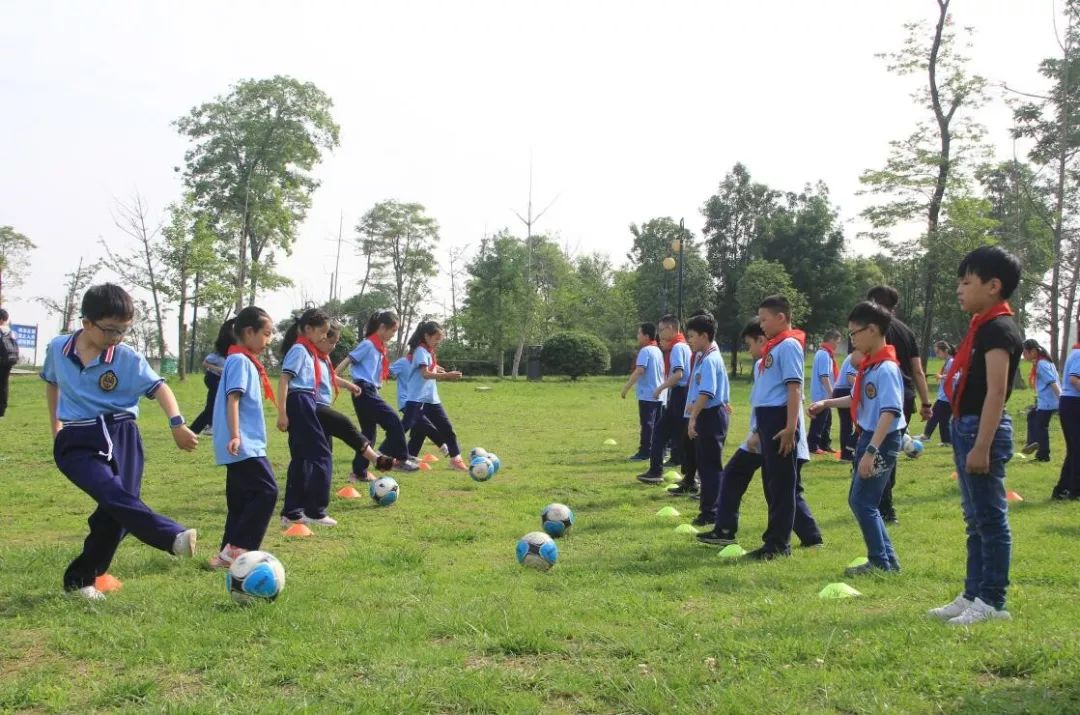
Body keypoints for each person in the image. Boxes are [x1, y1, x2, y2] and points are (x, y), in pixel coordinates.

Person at [41, 283, 197, 600]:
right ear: (86, 323)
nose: (118, 338)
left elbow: (159, 389)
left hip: (122, 434)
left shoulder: (126, 357)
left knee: (116, 512)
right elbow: (52, 383)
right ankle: (171, 537)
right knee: (113, 495)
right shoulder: (58, 348)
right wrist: (55, 425)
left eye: (124, 331)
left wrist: (177, 423)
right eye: (111, 330)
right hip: (77, 438)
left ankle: (79, 581)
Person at [928, 246, 1023, 626]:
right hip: (964, 424)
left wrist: (982, 445)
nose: (959, 289)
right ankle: (972, 593)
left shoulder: (999, 330)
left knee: (990, 519)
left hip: (982, 430)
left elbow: (996, 392)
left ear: (994, 285)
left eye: (967, 282)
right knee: (974, 519)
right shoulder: (981, 326)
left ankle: (992, 601)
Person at [697, 317, 821, 548]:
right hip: (761, 434)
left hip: (777, 434)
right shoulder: (761, 364)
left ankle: (803, 539)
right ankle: (725, 528)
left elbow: (792, 394)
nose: (748, 350)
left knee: (782, 489)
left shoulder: (785, 350)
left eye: (750, 344)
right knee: (740, 476)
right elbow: (763, 399)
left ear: (761, 339)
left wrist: (786, 430)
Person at [810, 301, 905, 576]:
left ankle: (880, 562)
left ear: (873, 330)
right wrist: (826, 403)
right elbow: (857, 399)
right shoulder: (871, 367)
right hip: (870, 438)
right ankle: (887, 560)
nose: (851, 341)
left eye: (854, 333)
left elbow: (890, 412)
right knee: (860, 500)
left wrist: (871, 451)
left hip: (880, 441)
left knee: (863, 502)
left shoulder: (885, 368)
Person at [744, 295, 822, 561]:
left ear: (780, 318)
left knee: (781, 485)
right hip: (768, 419)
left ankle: (778, 544)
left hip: (780, 420)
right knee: (771, 483)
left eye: (764, 319)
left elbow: (794, 388)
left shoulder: (788, 345)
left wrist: (791, 427)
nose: (761, 325)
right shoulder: (774, 347)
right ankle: (775, 539)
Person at [208, 306, 279, 569]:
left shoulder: (240, 359)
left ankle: (225, 555)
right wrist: (236, 435)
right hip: (243, 444)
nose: (269, 340)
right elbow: (233, 398)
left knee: (240, 500)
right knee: (266, 491)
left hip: (241, 443)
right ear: (249, 332)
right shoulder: (239, 361)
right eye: (267, 333)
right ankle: (239, 550)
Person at [866, 285, 933, 524]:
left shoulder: (871, 331)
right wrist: (926, 403)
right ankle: (881, 505)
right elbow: (917, 370)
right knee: (890, 452)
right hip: (905, 397)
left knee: (878, 450)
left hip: (880, 398)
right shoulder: (906, 331)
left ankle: (882, 507)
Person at [336, 310, 419, 482]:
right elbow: (349, 359)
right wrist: (335, 374)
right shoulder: (368, 344)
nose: (393, 335)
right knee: (394, 421)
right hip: (363, 390)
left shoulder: (379, 347)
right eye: (393, 331)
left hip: (369, 390)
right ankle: (401, 459)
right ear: (382, 327)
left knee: (368, 433)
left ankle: (359, 472)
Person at [277, 308, 336, 527]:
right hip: (300, 400)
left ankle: (291, 512)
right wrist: (282, 413)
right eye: (322, 332)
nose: (324, 336)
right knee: (322, 455)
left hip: (307, 400)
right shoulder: (300, 350)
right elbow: (284, 380)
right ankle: (315, 511)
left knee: (302, 458)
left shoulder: (308, 350)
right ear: (309, 329)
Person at [313, 322, 394, 482]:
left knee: (325, 452)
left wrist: (350, 386)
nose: (334, 346)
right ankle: (375, 459)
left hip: (323, 405)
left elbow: (330, 377)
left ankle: (317, 486)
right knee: (345, 425)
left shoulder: (323, 359)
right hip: (313, 405)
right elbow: (286, 379)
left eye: (336, 342)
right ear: (320, 338)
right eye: (331, 342)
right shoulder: (307, 355)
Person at [682, 312, 730, 527]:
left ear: (703, 335)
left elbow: (707, 393)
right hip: (707, 415)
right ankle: (710, 509)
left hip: (710, 416)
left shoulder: (711, 358)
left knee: (710, 467)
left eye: (691, 336)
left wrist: (693, 417)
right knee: (705, 465)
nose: (689, 340)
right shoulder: (705, 356)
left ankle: (711, 512)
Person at [402, 321, 467, 470]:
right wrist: (447, 376)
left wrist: (437, 369)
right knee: (401, 429)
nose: (439, 341)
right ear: (427, 336)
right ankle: (382, 455)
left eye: (440, 338)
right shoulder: (420, 351)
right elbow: (424, 374)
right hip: (417, 399)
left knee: (447, 429)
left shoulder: (428, 352)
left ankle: (455, 459)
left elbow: (427, 368)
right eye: (437, 338)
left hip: (431, 399)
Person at [637, 315, 691, 484]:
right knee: (674, 434)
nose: (659, 334)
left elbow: (679, 374)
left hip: (680, 393)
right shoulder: (682, 346)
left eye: (661, 330)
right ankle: (685, 475)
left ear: (671, 329)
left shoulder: (677, 348)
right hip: (682, 394)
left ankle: (659, 472)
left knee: (668, 433)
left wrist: (661, 387)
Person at [621, 323, 664, 463]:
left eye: (639, 333)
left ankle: (645, 451)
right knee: (657, 425)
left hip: (648, 395)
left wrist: (626, 387)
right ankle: (659, 451)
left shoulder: (645, 351)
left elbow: (640, 370)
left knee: (647, 424)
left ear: (646, 336)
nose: (637, 336)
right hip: (659, 395)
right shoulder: (657, 350)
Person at [189, 319, 235, 436]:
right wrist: (217, 369)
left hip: (220, 379)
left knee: (216, 404)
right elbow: (205, 363)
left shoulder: (232, 354)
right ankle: (194, 429)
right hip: (213, 378)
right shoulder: (217, 354)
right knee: (213, 404)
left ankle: (206, 427)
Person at [1020, 339, 1061, 462]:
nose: (1023, 355)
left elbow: (1052, 382)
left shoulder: (1041, 364)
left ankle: (1043, 455)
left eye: (1025, 353)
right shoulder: (1044, 361)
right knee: (1032, 416)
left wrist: (1062, 400)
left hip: (1049, 402)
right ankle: (1032, 443)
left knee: (1040, 426)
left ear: (1033, 351)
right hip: (1045, 401)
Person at [1052, 330, 1080, 500]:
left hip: (1071, 403)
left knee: (1074, 449)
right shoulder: (1079, 354)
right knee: (1077, 448)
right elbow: (1074, 380)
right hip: (1073, 403)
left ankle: (1063, 489)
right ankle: (1075, 490)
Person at [807, 329, 841, 454]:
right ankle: (812, 445)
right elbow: (824, 377)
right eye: (837, 342)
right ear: (831, 340)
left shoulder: (826, 354)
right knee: (819, 421)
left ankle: (825, 444)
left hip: (824, 395)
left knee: (827, 421)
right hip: (822, 395)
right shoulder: (824, 354)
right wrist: (832, 393)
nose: (837, 345)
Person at [919, 341, 956, 446]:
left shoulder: (952, 361)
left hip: (947, 397)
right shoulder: (948, 362)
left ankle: (926, 436)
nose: (936, 355)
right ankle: (947, 441)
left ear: (945, 351)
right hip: (944, 396)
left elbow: (957, 376)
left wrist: (942, 377)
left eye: (938, 352)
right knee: (944, 420)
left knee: (933, 415)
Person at [834, 348, 863, 462]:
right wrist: (860, 390)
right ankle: (847, 453)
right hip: (845, 391)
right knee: (854, 423)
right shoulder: (857, 356)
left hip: (841, 390)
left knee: (847, 424)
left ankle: (846, 453)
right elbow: (850, 377)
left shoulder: (855, 355)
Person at [0, 307, 18, 418]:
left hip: (1, 359)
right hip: (10, 360)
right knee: (3, 384)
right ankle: (2, 408)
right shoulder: (11, 331)